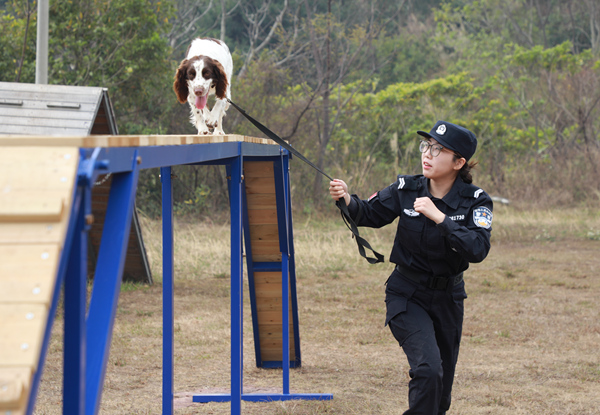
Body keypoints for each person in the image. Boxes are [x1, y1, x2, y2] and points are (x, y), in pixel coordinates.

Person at [329, 121, 493, 414]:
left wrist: (440, 217)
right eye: (426, 146)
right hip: (407, 294)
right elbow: (369, 213)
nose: (427, 154)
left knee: (440, 396)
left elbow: (478, 249)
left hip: (448, 300)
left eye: (438, 149)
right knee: (429, 370)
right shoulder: (406, 188)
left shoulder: (475, 201)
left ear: (459, 162)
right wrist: (346, 198)